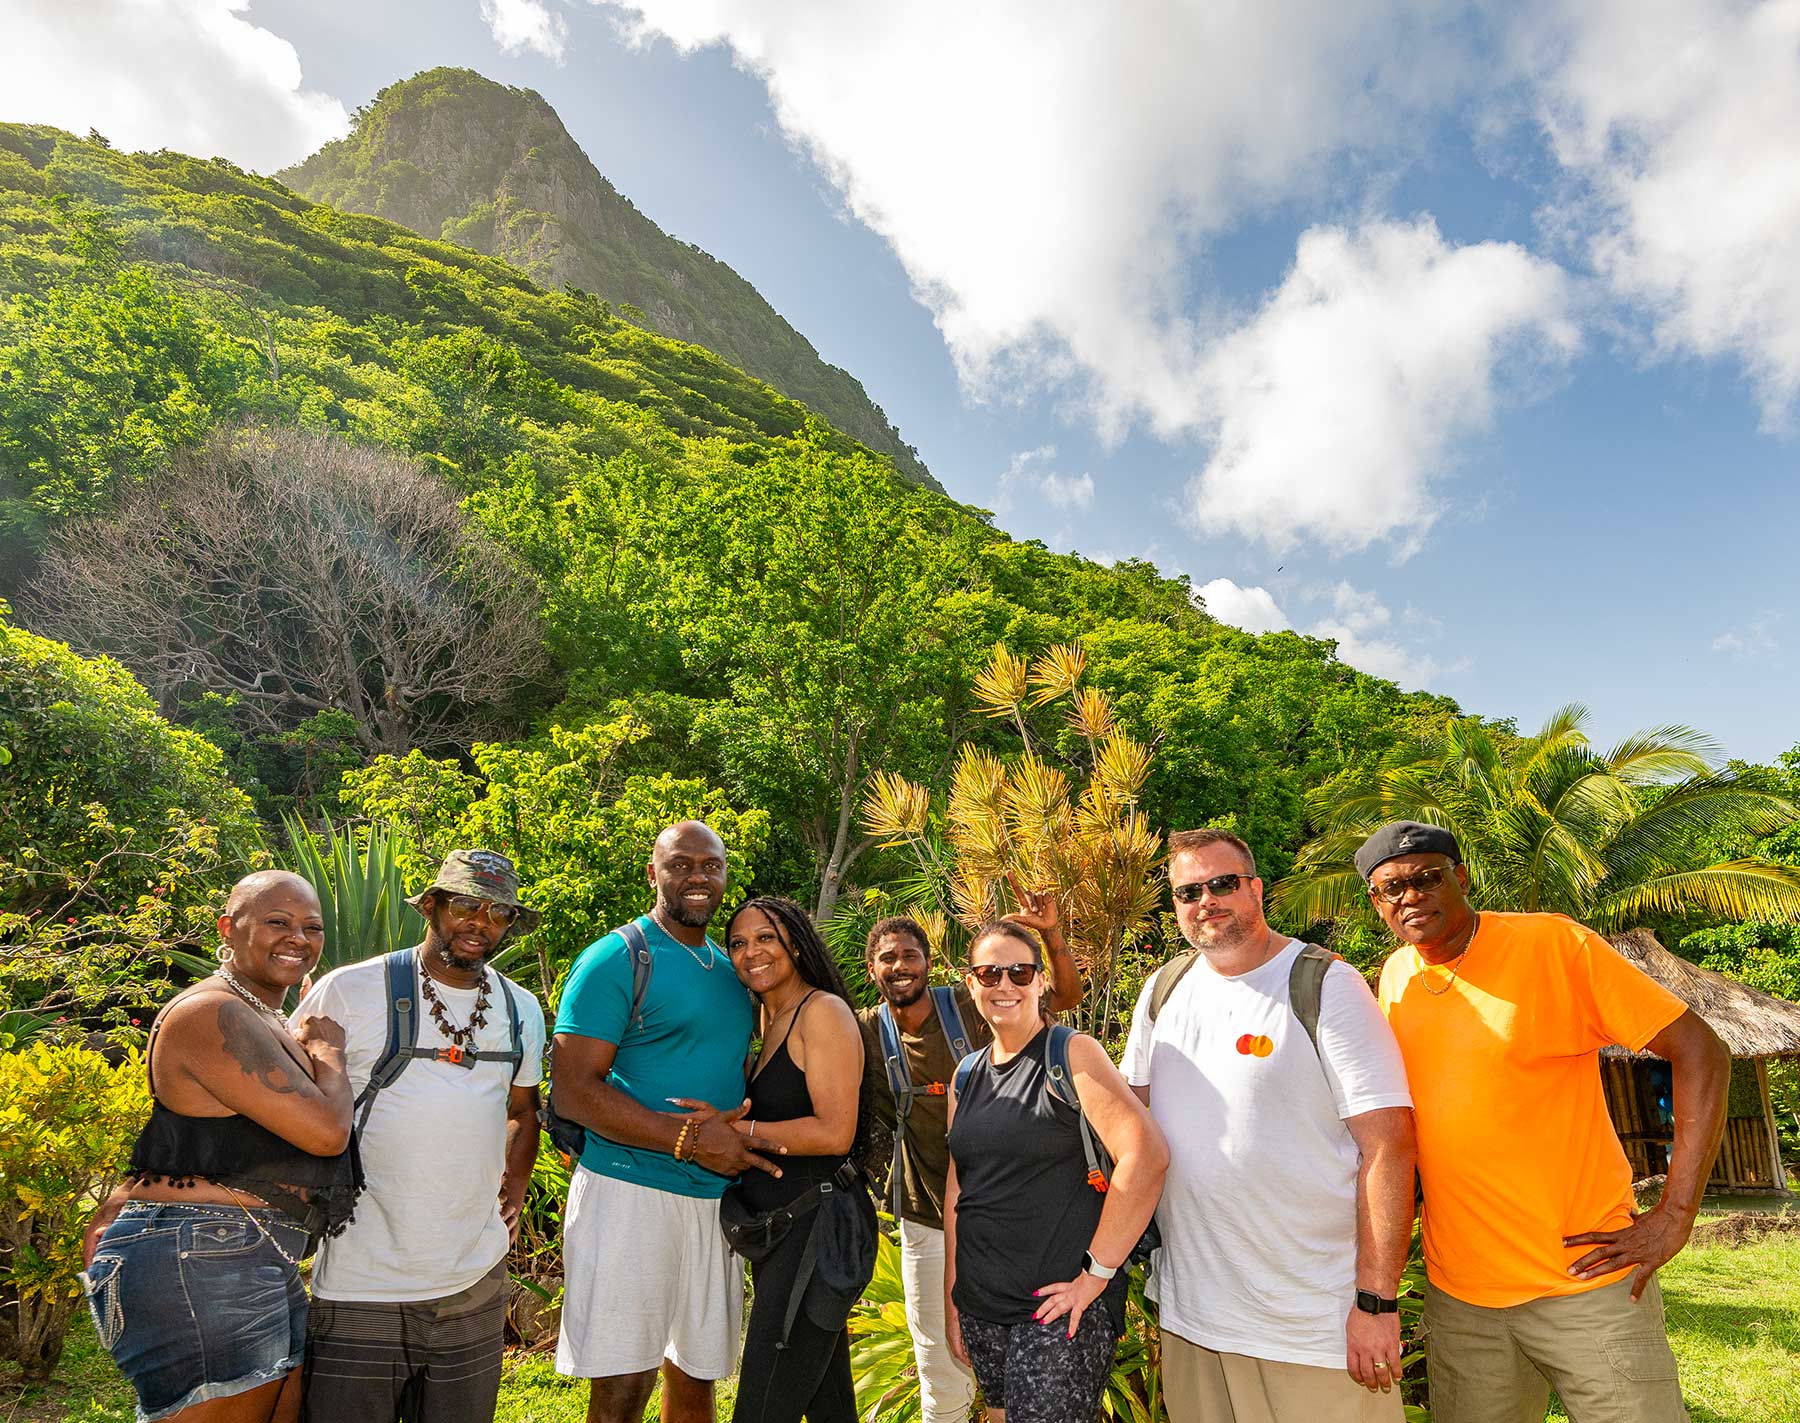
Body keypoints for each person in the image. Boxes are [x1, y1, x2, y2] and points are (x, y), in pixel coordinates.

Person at [1360, 820, 1730, 1423]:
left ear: (1460, 877)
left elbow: (1701, 1050)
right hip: (1462, 1299)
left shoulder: (1553, 944)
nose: (1408, 896)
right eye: (1388, 889)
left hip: (1584, 1280)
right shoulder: (1396, 978)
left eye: (1426, 878)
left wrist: (1676, 1213)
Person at [1120, 827, 1416, 1422]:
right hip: (1194, 1317)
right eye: (1188, 891)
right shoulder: (1163, 990)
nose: (1206, 901)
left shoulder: (1325, 984)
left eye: (1223, 883)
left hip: (1312, 1323)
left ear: (1255, 890)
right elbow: (1127, 1127)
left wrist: (1376, 1303)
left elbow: (1389, 1147)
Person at [81, 870, 361, 1423]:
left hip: (238, 1249)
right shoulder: (211, 1012)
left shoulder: (260, 1015)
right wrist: (327, 1050)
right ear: (228, 928)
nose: (298, 938)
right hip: (199, 1255)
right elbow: (327, 1132)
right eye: (277, 922)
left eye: (312, 927)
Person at [294, 849, 547, 1423]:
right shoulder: (350, 990)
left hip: (472, 1282)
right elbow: (289, 1104)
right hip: (363, 1279)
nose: (481, 923)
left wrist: (514, 1188)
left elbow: (523, 1110)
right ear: (431, 907)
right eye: (465, 905)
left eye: (499, 913)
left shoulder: (521, 1007)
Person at [550, 821, 786, 1423]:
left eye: (710, 866)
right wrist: (689, 1140)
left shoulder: (734, 970)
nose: (697, 878)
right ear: (653, 874)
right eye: (681, 865)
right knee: (624, 1383)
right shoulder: (616, 957)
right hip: (630, 1193)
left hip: (714, 1200)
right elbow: (573, 1091)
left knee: (697, 1373)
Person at [857, 879, 1082, 1423]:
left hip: (1006, 1214)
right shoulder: (866, 1031)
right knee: (938, 1356)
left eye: (911, 955)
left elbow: (1065, 998)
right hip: (927, 1214)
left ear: (930, 963)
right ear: (872, 971)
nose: (900, 965)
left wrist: (1051, 939)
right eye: (888, 958)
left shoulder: (971, 1000)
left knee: (1023, 1363)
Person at [944, 920, 1167, 1423]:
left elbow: (1146, 1156)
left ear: (1041, 981)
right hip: (981, 1302)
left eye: (1019, 972)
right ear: (970, 981)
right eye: (990, 972)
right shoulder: (965, 1073)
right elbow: (959, 1188)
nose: (1005, 985)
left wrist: (1096, 1276)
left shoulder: (1070, 1053)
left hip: (1057, 1309)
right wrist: (952, 1295)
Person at [713, 896, 875, 1423]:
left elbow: (834, 1133)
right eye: (738, 943)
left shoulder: (821, 1011)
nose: (751, 952)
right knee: (829, 1407)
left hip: (817, 1232)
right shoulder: (767, 1021)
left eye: (766, 938)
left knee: (762, 1407)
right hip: (783, 1233)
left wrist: (740, 1132)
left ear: (797, 943)